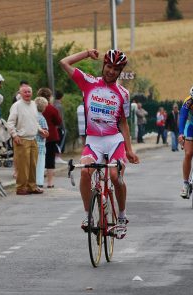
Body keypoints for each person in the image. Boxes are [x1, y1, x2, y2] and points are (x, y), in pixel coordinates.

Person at [59, 48, 139, 239]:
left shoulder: (123, 93)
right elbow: (64, 63)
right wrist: (86, 54)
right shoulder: (88, 82)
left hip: (114, 141)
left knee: (114, 175)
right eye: (109, 66)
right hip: (93, 141)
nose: (111, 71)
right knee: (85, 172)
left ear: (120, 72)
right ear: (104, 64)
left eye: (116, 69)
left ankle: (121, 217)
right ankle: (88, 215)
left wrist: (129, 149)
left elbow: (123, 122)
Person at [6, 84, 48, 195]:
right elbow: (10, 123)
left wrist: (40, 130)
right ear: (20, 93)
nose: (27, 94)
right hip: (22, 139)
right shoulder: (16, 106)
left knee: (33, 164)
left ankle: (32, 186)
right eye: (25, 92)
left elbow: (35, 121)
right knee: (22, 165)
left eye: (29, 91)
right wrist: (15, 135)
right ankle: (21, 187)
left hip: (33, 138)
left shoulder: (34, 104)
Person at [36, 87, 62, 188]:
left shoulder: (34, 107)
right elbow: (58, 122)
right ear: (50, 97)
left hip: (37, 136)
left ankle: (38, 179)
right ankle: (50, 182)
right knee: (50, 159)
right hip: (50, 136)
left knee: (37, 158)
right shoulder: (52, 108)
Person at [34, 96, 50, 188]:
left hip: (32, 141)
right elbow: (44, 132)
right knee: (40, 164)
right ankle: (39, 181)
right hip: (40, 144)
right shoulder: (42, 118)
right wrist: (47, 133)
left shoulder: (33, 115)